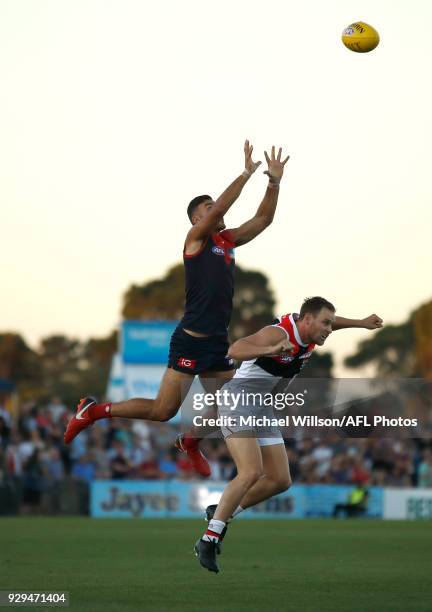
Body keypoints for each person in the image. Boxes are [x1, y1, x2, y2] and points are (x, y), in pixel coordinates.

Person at [64, 142, 290, 478]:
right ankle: (95, 412)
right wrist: (245, 174)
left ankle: (190, 442)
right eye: (210, 206)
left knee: (233, 401)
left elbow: (263, 219)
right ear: (198, 218)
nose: (218, 209)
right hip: (191, 341)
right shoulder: (195, 239)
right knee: (162, 410)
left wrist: (273, 182)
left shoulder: (227, 240)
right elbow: (219, 211)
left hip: (216, 343)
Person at [194, 296, 383, 573]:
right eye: (325, 323)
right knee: (250, 472)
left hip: (262, 405)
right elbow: (235, 349)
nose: (330, 329)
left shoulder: (312, 333)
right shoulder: (279, 333)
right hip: (238, 399)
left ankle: (222, 511)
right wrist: (271, 349)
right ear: (307, 320)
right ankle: (209, 540)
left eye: (331, 324)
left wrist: (360, 323)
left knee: (281, 480)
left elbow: (332, 322)